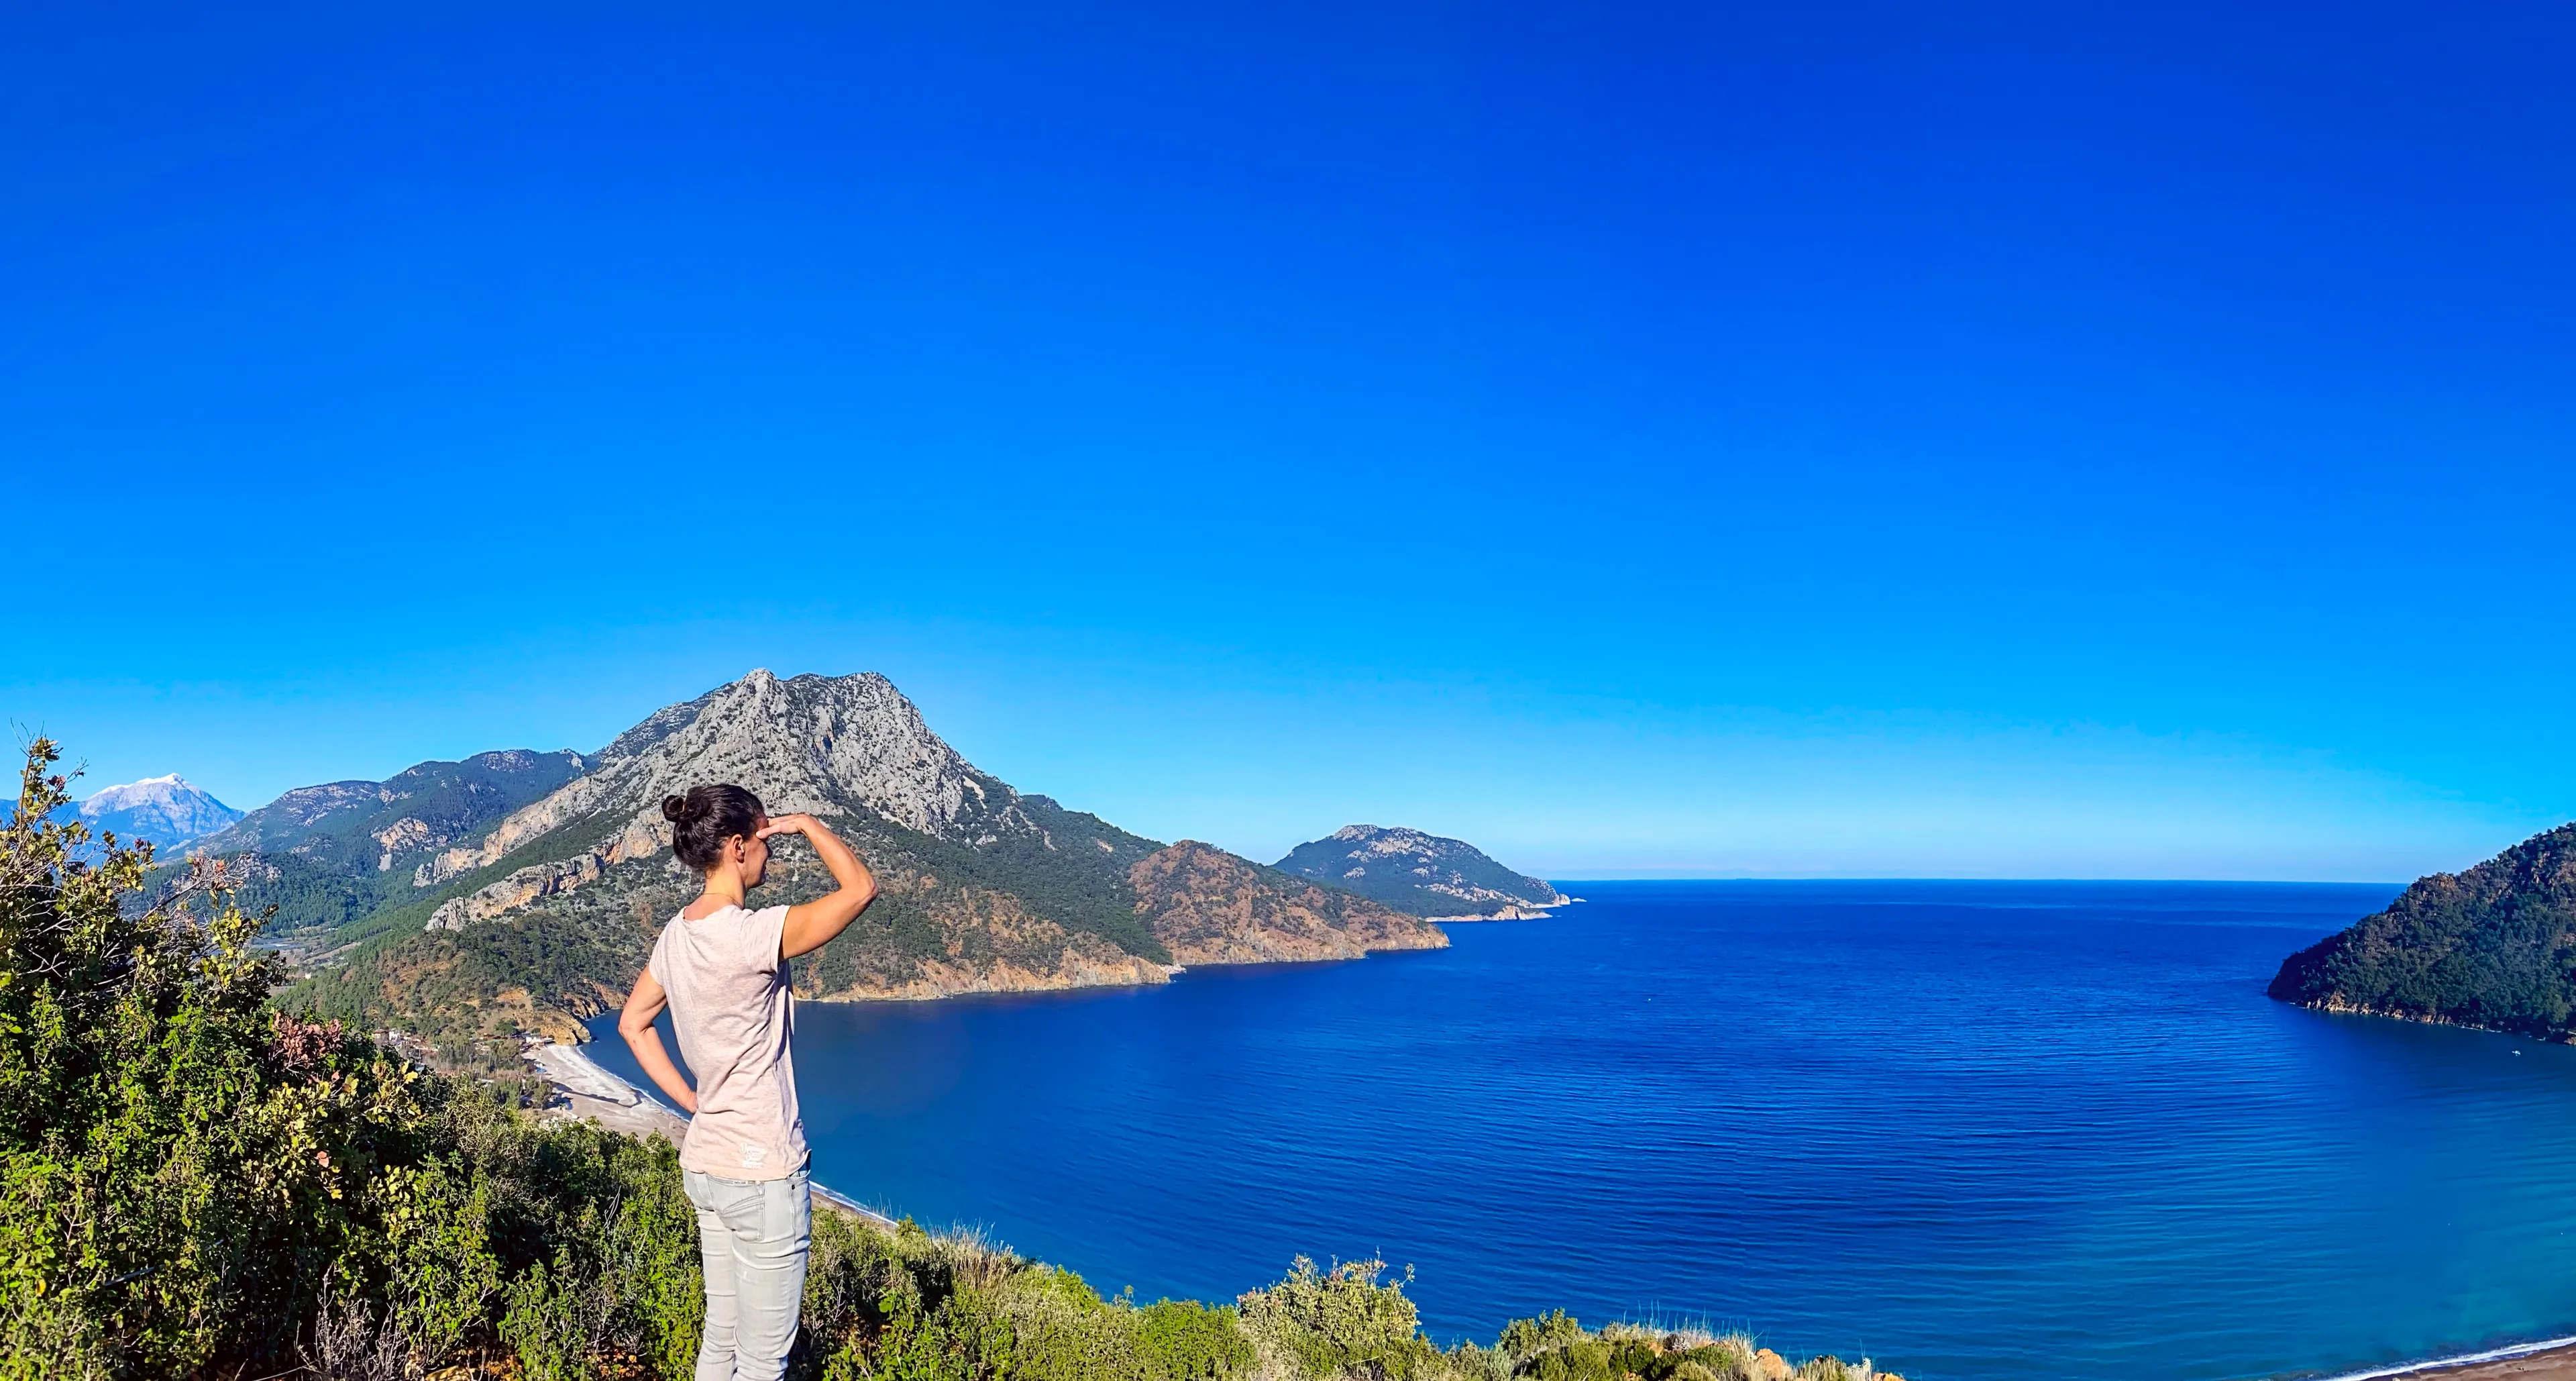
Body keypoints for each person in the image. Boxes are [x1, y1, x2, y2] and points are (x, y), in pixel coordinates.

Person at [619, 783, 877, 1381]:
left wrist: (691, 1100)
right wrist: (809, 824)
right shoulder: (753, 934)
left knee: (720, 1344)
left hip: (706, 1165)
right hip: (762, 1176)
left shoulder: (675, 936)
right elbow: (860, 889)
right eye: (764, 839)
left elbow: (634, 1025)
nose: (771, 852)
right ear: (737, 847)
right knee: (763, 1365)